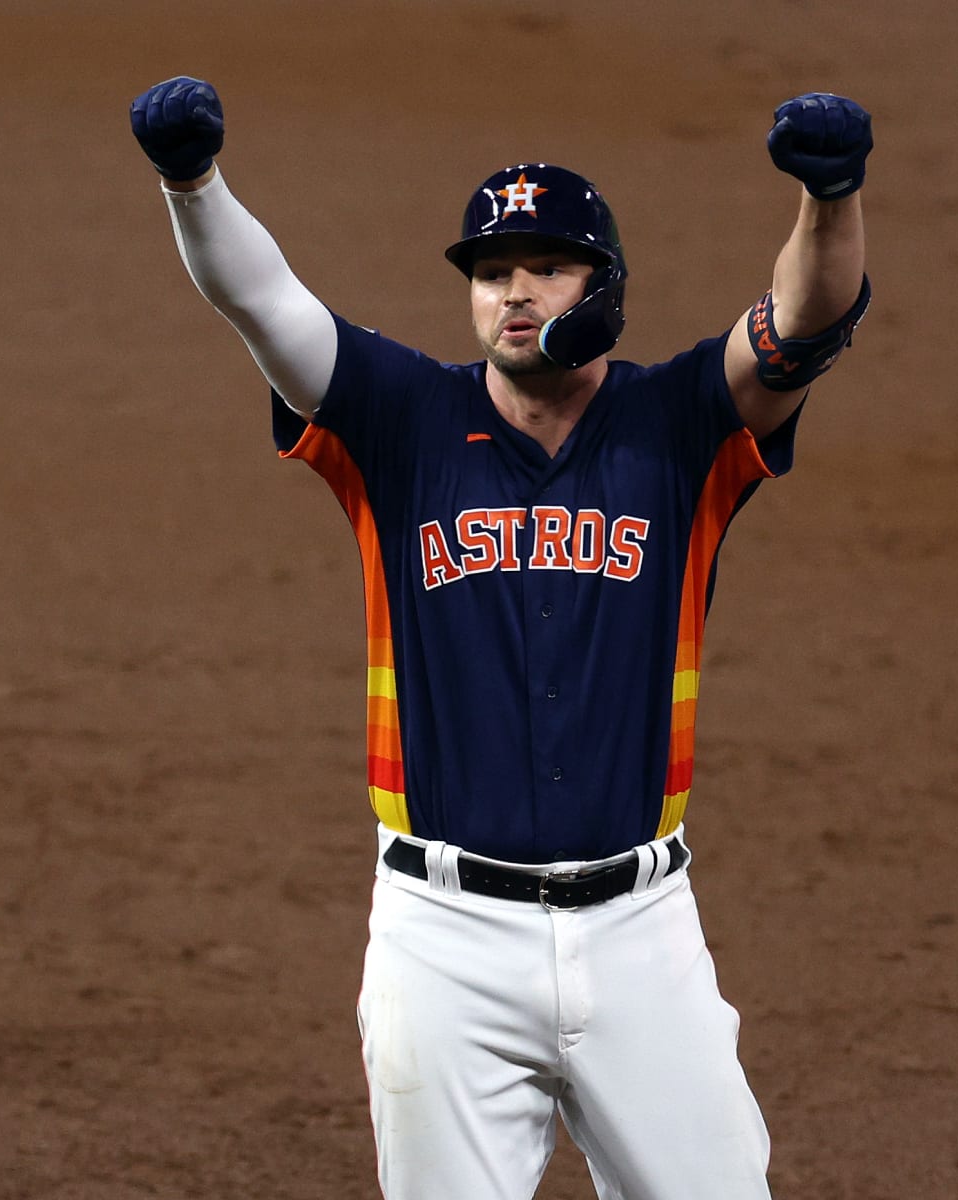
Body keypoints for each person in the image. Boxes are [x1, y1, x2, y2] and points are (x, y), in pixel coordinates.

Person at [130, 75, 871, 1200]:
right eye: (489, 274)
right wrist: (193, 183)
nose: (513, 294)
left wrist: (832, 197)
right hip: (444, 940)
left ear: (605, 289)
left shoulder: (679, 423)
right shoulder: (400, 417)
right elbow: (264, 303)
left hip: (642, 936)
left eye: (545, 267)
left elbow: (808, 319)